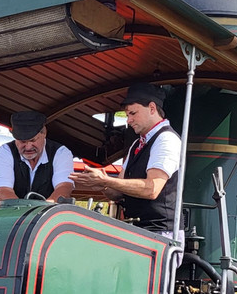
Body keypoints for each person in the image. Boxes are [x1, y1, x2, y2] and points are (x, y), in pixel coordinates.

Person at [70, 83, 181, 236]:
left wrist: (106, 181)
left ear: (152, 108)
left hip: (160, 232)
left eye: (133, 113)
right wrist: (101, 185)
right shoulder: (137, 144)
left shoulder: (166, 139)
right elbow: (118, 193)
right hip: (138, 229)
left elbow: (152, 189)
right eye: (128, 115)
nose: (128, 120)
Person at [0, 112, 74, 202]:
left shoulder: (60, 152)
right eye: (22, 142)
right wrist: (21, 210)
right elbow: (4, 190)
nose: (28, 147)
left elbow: (64, 187)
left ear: (44, 133)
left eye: (33, 140)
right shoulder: (5, 152)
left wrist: (43, 210)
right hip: (14, 213)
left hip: (49, 214)